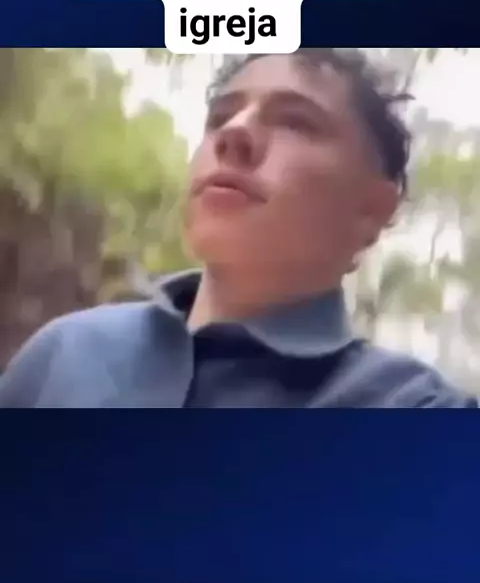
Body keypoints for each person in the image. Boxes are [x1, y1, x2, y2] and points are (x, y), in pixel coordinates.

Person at [0, 50, 476, 408]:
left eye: (296, 122)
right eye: (220, 117)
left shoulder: (412, 408)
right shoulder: (63, 355)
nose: (232, 134)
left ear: (370, 210)